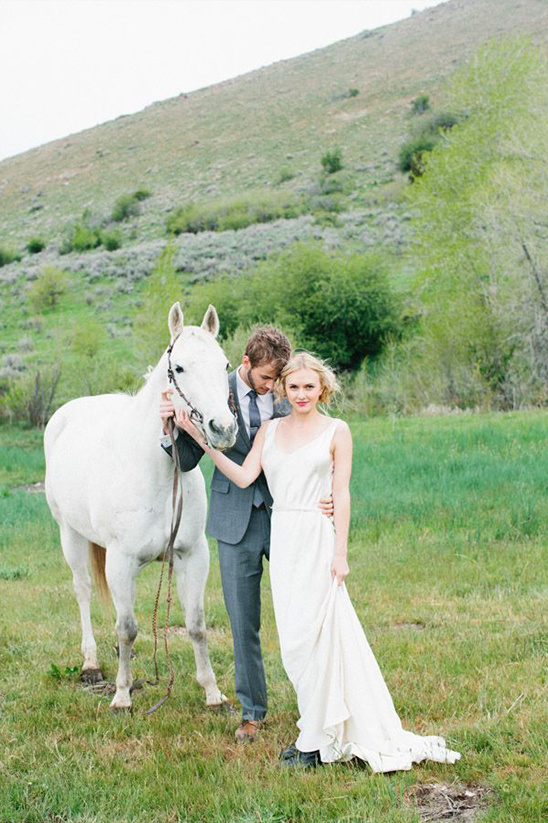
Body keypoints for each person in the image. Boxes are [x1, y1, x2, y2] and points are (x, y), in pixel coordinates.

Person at [175, 351, 461, 771]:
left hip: (317, 538)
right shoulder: (268, 431)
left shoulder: (337, 430)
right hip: (284, 535)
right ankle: (318, 725)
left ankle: (313, 742)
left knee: (319, 636)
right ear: (283, 390)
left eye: (309, 386)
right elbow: (242, 477)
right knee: (293, 642)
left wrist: (340, 553)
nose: (302, 394)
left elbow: (341, 493)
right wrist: (198, 438)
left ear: (321, 388)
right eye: (294, 386)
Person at [159, 328, 333, 743]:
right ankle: (252, 711)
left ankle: (319, 701)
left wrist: (325, 495)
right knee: (243, 623)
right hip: (235, 521)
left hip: (288, 514)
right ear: (246, 363)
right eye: (266, 378)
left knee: (308, 610)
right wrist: (170, 429)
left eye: (279, 380)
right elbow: (187, 461)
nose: (274, 387)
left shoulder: (286, 391)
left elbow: (315, 442)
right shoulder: (211, 389)